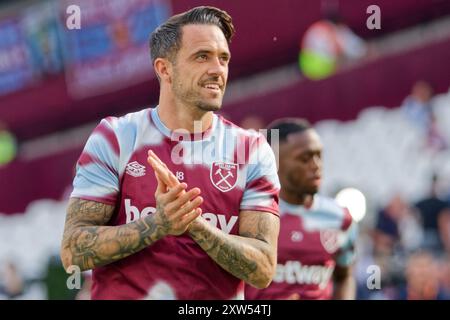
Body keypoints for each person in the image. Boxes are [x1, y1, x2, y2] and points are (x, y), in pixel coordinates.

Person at [60, 6, 280, 300]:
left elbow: (263, 269)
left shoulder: (251, 151)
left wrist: (196, 225)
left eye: (223, 58)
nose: (217, 69)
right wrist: (158, 224)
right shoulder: (117, 137)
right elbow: (73, 251)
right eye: (202, 56)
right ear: (164, 69)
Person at [245, 118, 357, 300]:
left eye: (319, 155)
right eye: (304, 158)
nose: (316, 165)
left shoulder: (340, 218)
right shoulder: (248, 214)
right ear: (274, 162)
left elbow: (344, 277)